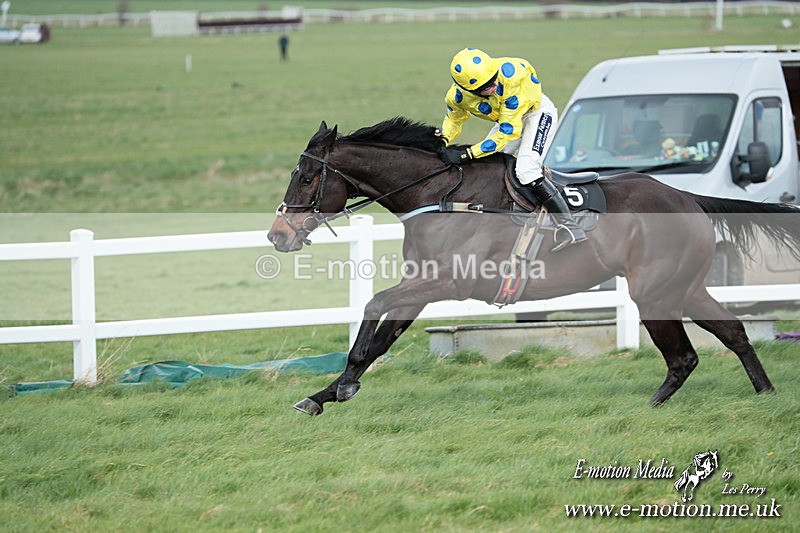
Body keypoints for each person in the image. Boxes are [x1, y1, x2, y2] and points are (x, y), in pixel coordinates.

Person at [438, 48, 586, 252]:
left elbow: (507, 133)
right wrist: (442, 139)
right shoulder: (455, 97)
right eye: (486, 86)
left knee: (526, 170)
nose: (494, 85)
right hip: (507, 120)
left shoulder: (512, 77)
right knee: (486, 167)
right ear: (469, 90)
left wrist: (468, 153)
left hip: (536, 114)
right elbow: (454, 120)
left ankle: (570, 226)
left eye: (494, 78)